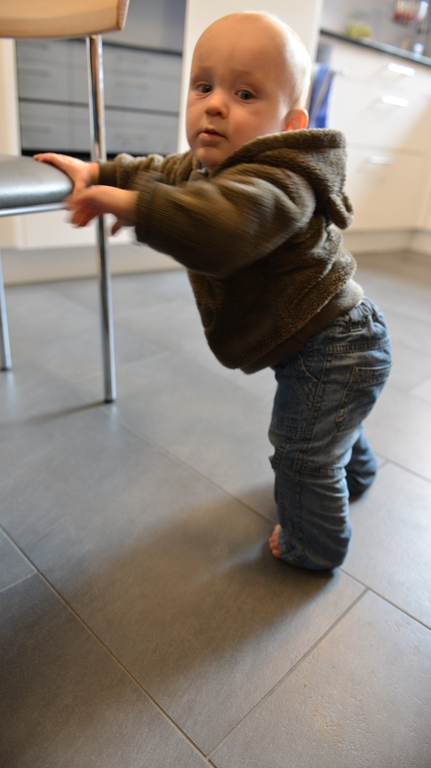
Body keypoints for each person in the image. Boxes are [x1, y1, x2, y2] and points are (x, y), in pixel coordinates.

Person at [35, 11, 391, 570]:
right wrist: (97, 173)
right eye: (204, 86)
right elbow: (155, 169)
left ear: (290, 123)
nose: (216, 105)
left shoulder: (283, 179)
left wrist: (130, 206)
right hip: (320, 345)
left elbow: (221, 225)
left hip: (337, 346)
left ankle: (315, 547)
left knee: (301, 451)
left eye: (244, 94)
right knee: (328, 421)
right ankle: (356, 472)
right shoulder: (205, 166)